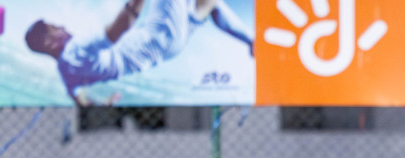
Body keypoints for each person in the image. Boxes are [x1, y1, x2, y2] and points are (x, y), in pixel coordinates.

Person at [25, 0, 252, 102]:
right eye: (55, 28)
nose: (63, 27)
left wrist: (102, 104)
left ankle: (252, 42)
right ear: (49, 43)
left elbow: (78, 97)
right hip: (158, 36)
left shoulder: (65, 71)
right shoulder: (76, 51)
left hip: (166, 49)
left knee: (209, 3)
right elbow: (117, 30)